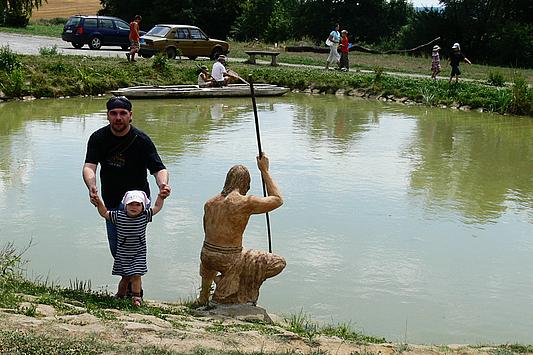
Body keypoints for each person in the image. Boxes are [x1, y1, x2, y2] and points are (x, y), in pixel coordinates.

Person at [82, 96, 171, 261]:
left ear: (130, 115)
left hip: (137, 201)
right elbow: (89, 166)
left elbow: (159, 168)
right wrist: (91, 185)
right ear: (107, 115)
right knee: (116, 246)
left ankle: (134, 284)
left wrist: (163, 184)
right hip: (111, 199)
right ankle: (129, 281)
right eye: (113, 113)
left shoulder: (141, 140)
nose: (118, 118)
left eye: (123, 113)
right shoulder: (98, 138)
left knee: (132, 246)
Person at [196, 154, 286, 306]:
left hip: (206, 256)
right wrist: (264, 171)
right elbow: (278, 199)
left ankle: (204, 296)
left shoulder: (210, 203)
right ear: (246, 184)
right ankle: (227, 286)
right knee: (278, 262)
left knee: (217, 251)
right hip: (229, 259)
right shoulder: (245, 202)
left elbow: (207, 232)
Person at [92, 189, 169, 306]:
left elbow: (157, 207)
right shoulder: (118, 216)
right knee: (126, 277)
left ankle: (136, 297)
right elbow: (104, 213)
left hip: (139, 253)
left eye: (138, 204)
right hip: (123, 253)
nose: (134, 207)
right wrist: (99, 202)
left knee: (137, 275)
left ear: (143, 206)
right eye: (131, 204)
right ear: (125, 205)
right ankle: (120, 295)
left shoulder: (144, 216)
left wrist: (161, 197)